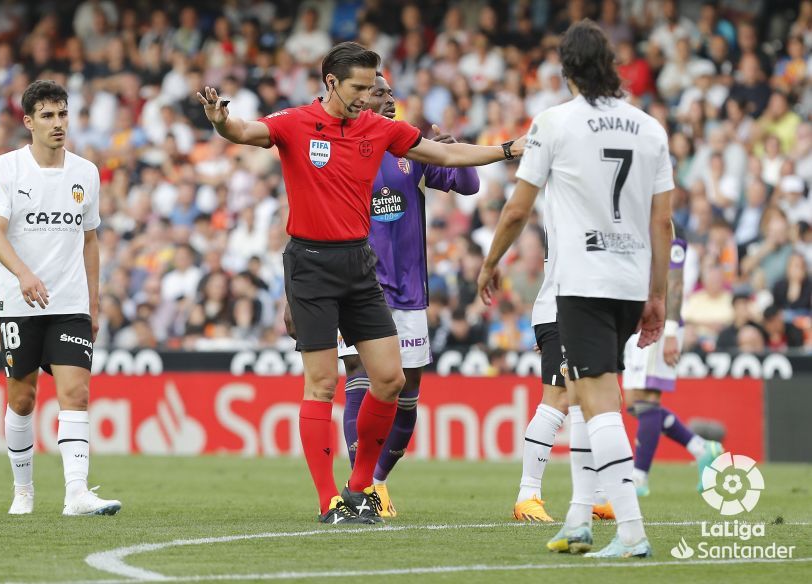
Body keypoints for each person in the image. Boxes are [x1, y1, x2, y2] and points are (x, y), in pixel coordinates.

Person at [197, 41, 522, 525]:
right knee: (323, 382)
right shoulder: (295, 122)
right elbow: (244, 130)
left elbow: (444, 155)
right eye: (360, 87)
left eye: (373, 86)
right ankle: (328, 499)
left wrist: (506, 150)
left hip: (359, 264)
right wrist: (220, 119)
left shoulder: (378, 127)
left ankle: (359, 489)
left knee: (389, 379)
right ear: (331, 83)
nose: (369, 95)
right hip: (310, 263)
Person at [478, 20, 673, 558]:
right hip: (631, 281)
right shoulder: (650, 128)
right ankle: (579, 519)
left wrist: (491, 261)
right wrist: (658, 296)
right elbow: (664, 226)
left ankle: (631, 533)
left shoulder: (554, 123)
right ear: (611, 65)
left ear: (566, 71)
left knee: (598, 402)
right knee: (589, 402)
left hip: (583, 280)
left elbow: (518, 207)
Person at [333, 73, 479, 517]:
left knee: (407, 389)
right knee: (361, 373)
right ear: (360, 98)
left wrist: (457, 156)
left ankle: (377, 484)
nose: (390, 98)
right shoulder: (341, 145)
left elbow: (469, 186)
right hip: (358, 286)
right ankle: (358, 487)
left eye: (391, 92)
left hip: (409, 289)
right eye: (379, 92)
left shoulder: (408, 146)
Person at [0, 79, 121, 516]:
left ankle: (76, 494)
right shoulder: (6, 168)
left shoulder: (86, 172)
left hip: (71, 304)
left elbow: (91, 240)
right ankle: (23, 491)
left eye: (62, 113)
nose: (58, 123)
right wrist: (22, 273)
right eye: (47, 115)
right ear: (28, 122)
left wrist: (93, 304)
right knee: (22, 399)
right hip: (20, 303)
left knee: (75, 393)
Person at [509, 207, 615, 524]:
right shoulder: (574, 192)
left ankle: (597, 496)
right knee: (558, 399)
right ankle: (527, 495)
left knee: (605, 399)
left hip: (585, 310)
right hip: (566, 307)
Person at [622, 223, 723, 497]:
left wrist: (670, 333)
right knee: (633, 404)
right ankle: (702, 448)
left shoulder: (669, 235)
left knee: (648, 402)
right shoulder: (641, 231)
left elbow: (675, 285)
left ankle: (639, 476)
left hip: (661, 324)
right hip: (639, 323)